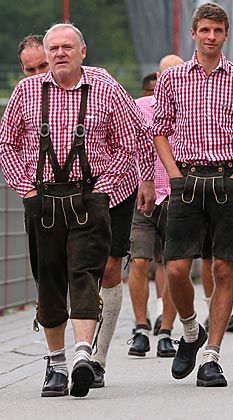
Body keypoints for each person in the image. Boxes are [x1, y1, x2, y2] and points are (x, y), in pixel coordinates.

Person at [0, 23, 138, 397]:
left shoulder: (105, 87)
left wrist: (104, 190)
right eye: (54, 48)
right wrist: (25, 189)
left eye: (67, 47)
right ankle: (55, 363)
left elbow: (131, 141)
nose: (60, 53)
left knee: (85, 274)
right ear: (47, 54)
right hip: (42, 199)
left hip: (90, 197)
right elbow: (6, 142)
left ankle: (83, 357)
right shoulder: (27, 92)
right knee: (49, 281)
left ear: (83, 51)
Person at [153, 2, 233, 387]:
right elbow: (159, 130)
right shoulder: (173, 80)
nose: (211, 37)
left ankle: (211, 355)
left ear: (225, 35)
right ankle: (190, 331)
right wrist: (174, 176)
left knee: (222, 268)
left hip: (227, 179)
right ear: (194, 33)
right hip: (187, 179)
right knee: (175, 268)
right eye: (204, 30)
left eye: (217, 31)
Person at [126, 55, 184, 359]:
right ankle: (140, 326)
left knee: (172, 266)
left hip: (177, 196)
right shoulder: (140, 107)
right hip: (143, 194)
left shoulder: (192, 110)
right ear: (159, 79)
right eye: (167, 75)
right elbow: (126, 146)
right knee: (139, 261)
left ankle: (166, 330)